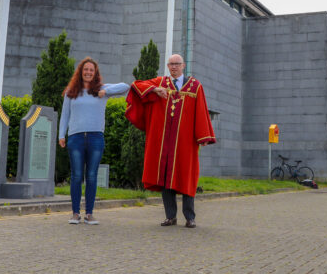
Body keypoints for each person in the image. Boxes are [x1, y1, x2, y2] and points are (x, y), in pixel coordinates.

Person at [125, 53, 216, 229]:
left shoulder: (195, 86)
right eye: (171, 64)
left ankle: (190, 218)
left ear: (183, 66)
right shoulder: (161, 83)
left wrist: (203, 136)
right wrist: (153, 90)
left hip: (185, 143)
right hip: (164, 143)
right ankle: (170, 216)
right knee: (166, 178)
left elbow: (201, 111)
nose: (173, 67)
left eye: (176, 64)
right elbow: (136, 85)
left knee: (186, 177)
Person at [58, 57, 128, 225]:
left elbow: (126, 87)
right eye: (85, 70)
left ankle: (89, 213)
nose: (88, 72)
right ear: (80, 72)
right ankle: (75, 213)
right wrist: (62, 135)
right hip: (75, 138)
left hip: (96, 138)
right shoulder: (71, 91)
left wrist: (106, 92)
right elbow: (65, 114)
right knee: (76, 176)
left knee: (91, 175)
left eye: (91, 70)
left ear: (95, 73)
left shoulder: (101, 89)